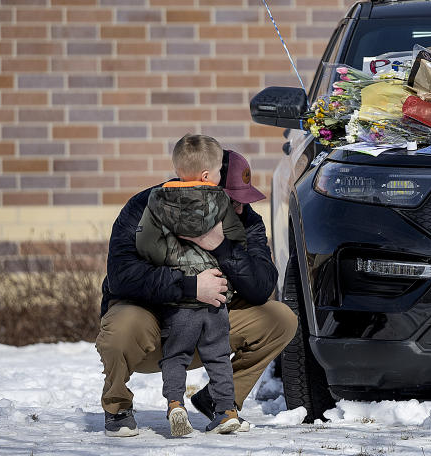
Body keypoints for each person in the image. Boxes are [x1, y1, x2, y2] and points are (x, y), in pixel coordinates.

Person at [95, 140, 297, 438]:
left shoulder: (245, 220)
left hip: (207, 329)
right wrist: (191, 287)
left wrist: (222, 246)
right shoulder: (145, 206)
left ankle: (220, 400)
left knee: (280, 319)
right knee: (121, 326)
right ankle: (117, 407)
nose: (241, 207)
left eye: (244, 200)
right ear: (204, 185)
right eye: (232, 199)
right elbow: (123, 276)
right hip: (151, 330)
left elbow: (261, 286)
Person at [134, 134, 245, 436]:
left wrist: (168, 257)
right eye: (220, 171)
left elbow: (144, 243)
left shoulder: (158, 199)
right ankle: (226, 411)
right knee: (218, 356)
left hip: (181, 301)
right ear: (208, 175)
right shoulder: (221, 200)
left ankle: (174, 404)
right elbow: (235, 240)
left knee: (176, 355)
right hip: (216, 295)